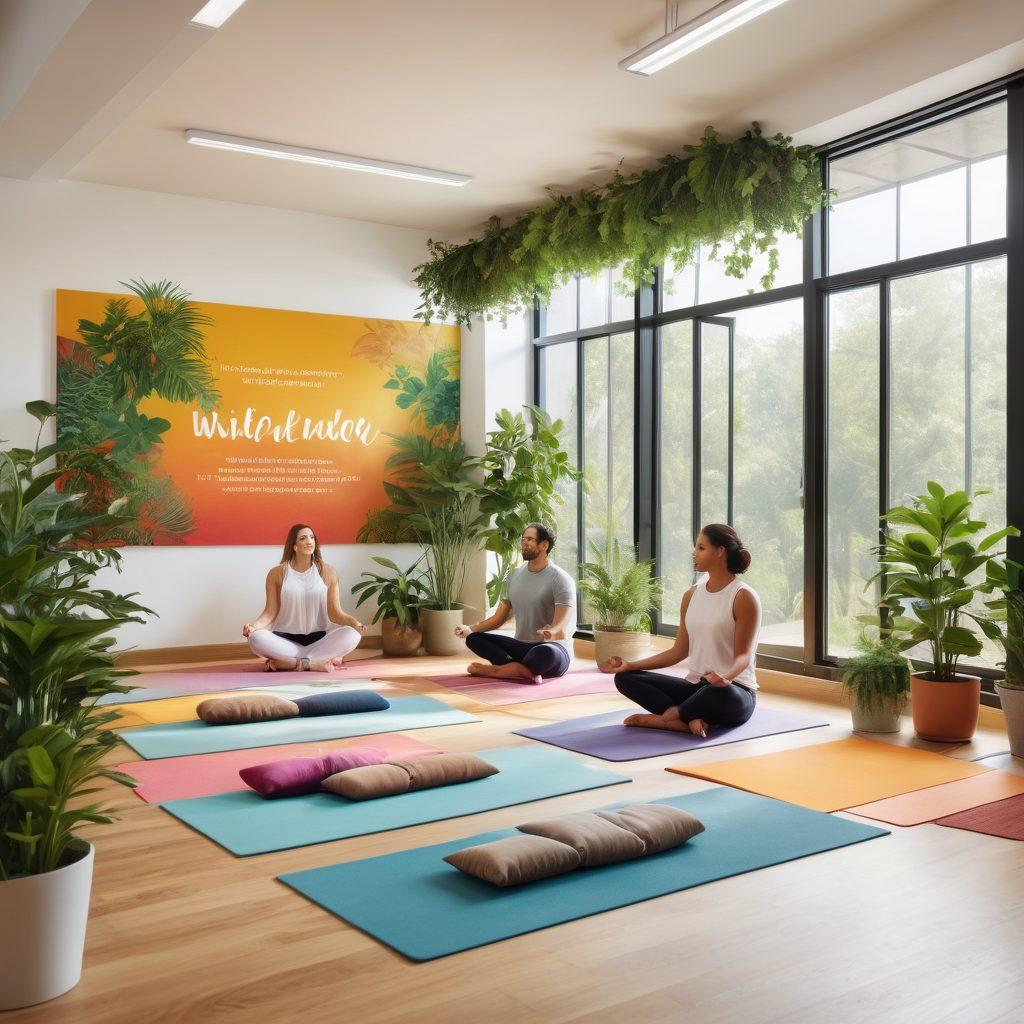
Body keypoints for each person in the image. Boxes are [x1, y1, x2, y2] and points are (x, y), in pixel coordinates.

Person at [600, 524, 760, 737]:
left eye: (701, 548)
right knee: (625, 678)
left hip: (734, 691)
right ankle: (688, 718)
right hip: (695, 688)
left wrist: (726, 677)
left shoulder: (743, 596)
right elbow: (679, 651)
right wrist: (630, 665)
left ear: (720, 551)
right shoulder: (691, 595)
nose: (694, 553)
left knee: (719, 693)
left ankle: (668, 719)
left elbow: (743, 656)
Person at [454, 522, 576, 685]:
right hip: (520, 646)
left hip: (552, 648)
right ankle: (518, 669)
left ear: (544, 545)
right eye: (523, 539)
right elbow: (499, 618)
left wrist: (551, 632)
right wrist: (469, 629)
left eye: (530, 539)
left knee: (545, 654)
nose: (524, 543)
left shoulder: (560, 578)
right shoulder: (513, 575)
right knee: (474, 639)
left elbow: (561, 623)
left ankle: (501, 670)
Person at [243, 523, 366, 671]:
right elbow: (270, 613)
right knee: (256, 638)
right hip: (286, 642)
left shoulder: (327, 571)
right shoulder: (277, 574)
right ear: (294, 546)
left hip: (319, 641)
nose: (309, 541)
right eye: (303, 538)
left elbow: (335, 612)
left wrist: (355, 623)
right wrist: (253, 627)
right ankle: (313, 663)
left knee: (353, 635)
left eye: (312, 537)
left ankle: (291, 663)